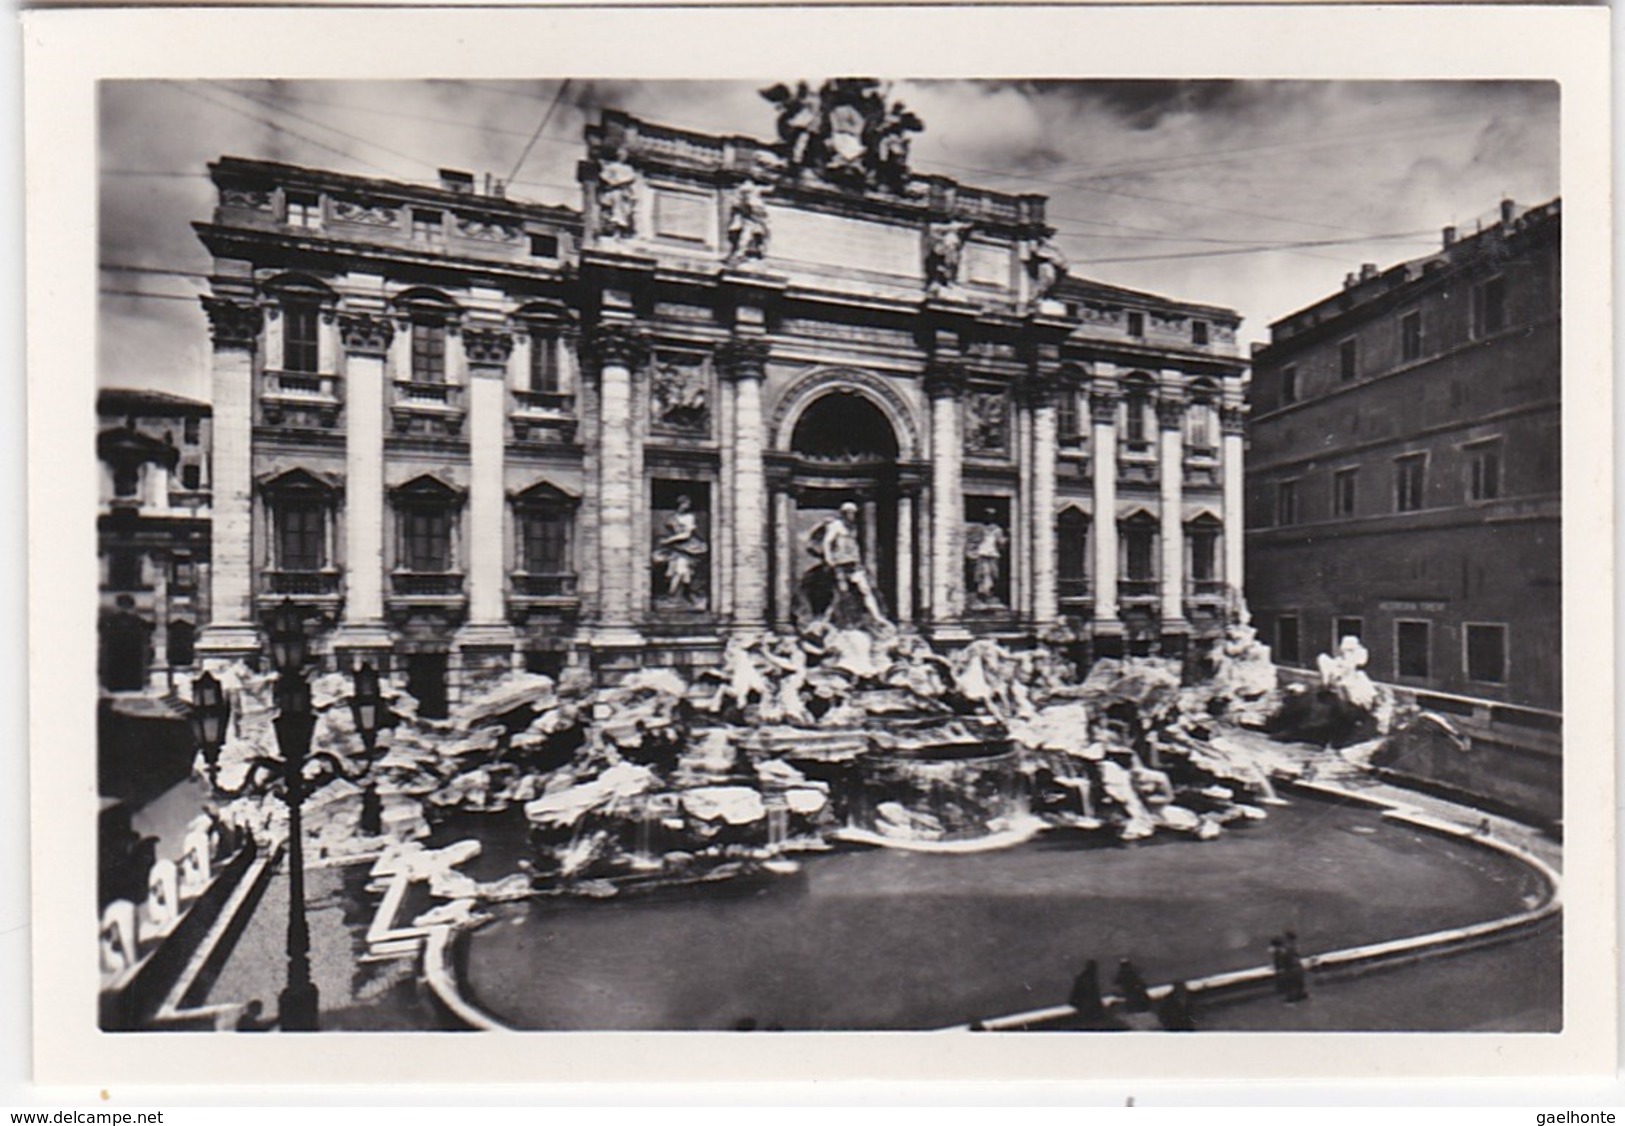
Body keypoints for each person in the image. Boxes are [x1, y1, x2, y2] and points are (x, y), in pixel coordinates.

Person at [810, 502, 887, 626]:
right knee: (841, 593)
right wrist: (829, 558)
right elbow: (827, 542)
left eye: (853, 513)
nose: (852, 516)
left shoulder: (852, 526)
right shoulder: (836, 525)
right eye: (849, 513)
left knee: (865, 589)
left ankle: (877, 616)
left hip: (853, 562)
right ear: (844, 513)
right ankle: (826, 619)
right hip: (840, 563)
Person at [653, 495, 707, 603]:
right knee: (674, 570)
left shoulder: (689, 517)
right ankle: (674, 595)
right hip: (676, 547)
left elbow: (686, 534)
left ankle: (677, 595)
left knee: (682, 571)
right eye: (684, 504)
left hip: (689, 547)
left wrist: (669, 540)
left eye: (688, 504)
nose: (686, 506)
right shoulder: (673, 518)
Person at [597, 147, 638, 238]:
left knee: (624, 208)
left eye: (625, 155)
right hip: (614, 191)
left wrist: (619, 182)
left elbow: (631, 178)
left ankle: (620, 227)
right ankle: (612, 226)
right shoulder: (611, 166)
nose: (623, 157)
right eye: (621, 155)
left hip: (622, 191)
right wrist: (613, 182)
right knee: (613, 207)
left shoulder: (628, 168)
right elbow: (605, 176)